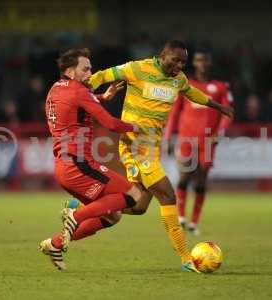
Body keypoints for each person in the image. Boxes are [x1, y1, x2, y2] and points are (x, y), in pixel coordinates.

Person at [89, 40, 234, 270]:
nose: (179, 65)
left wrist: (217, 106)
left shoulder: (179, 79)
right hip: (136, 145)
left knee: (138, 206)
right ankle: (187, 258)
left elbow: (192, 93)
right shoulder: (137, 68)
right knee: (168, 195)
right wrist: (80, 91)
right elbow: (102, 75)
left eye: (183, 62)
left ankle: (86, 204)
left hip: (151, 148)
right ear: (162, 55)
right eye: (175, 60)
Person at [39, 48, 146, 271]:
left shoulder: (56, 88)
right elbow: (111, 124)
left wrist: (101, 97)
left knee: (113, 216)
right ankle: (75, 214)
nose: (90, 72)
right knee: (134, 195)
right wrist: (137, 127)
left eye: (90, 67)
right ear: (70, 70)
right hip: (79, 165)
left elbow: (73, 103)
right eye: (85, 68)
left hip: (63, 168)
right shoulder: (79, 92)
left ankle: (56, 243)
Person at [164, 49, 233, 234]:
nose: (201, 63)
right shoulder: (185, 84)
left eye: (204, 60)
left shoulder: (220, 87)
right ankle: (180, 217)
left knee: (201, 182)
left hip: (208, 140)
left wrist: (220, 133)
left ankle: (194, 223)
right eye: (198, 60)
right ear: (194, 63)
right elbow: (174, 112)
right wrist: (169, 136)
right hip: (187, 138)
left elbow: (228, 112)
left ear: (209, 63)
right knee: (184, 177)